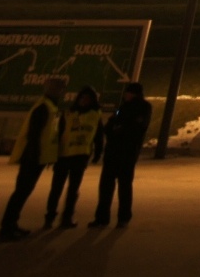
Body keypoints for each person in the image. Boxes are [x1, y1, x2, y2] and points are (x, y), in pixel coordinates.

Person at [0, 77, 65, 241]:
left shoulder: (50, 106)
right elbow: (34, 134)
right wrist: (35, 155)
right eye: (59, 88)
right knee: (21, 192)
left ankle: (12, 224)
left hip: (38, 157)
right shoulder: (44, 107)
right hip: (32, 157)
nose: (61, 92)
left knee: (24, 191)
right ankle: (6, 228)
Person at [89, 82, 151, 229]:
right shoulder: (123, 107)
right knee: (114, 186)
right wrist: (116, 129)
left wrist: (119, 129)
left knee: (118, 186)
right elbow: (111, 125)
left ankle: (112, 218)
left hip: (125, 152)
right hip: (118, 152)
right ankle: (112, 218)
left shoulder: (141, 107)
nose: (125, 95)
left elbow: (134, 127)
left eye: (128, 92)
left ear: (133, 93)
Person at [45, 86, 102, 229]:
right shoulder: (68, 114)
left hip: (80, 156)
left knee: (73, 190)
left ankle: (67, 218)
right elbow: (58, 133)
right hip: (63, 156)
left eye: (87, 99)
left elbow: (98, 135)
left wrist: (98, 153)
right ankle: (50, 217)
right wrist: (51, 154)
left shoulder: (95, 115)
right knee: (56, 189)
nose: (84, 101)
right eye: (82, 98)